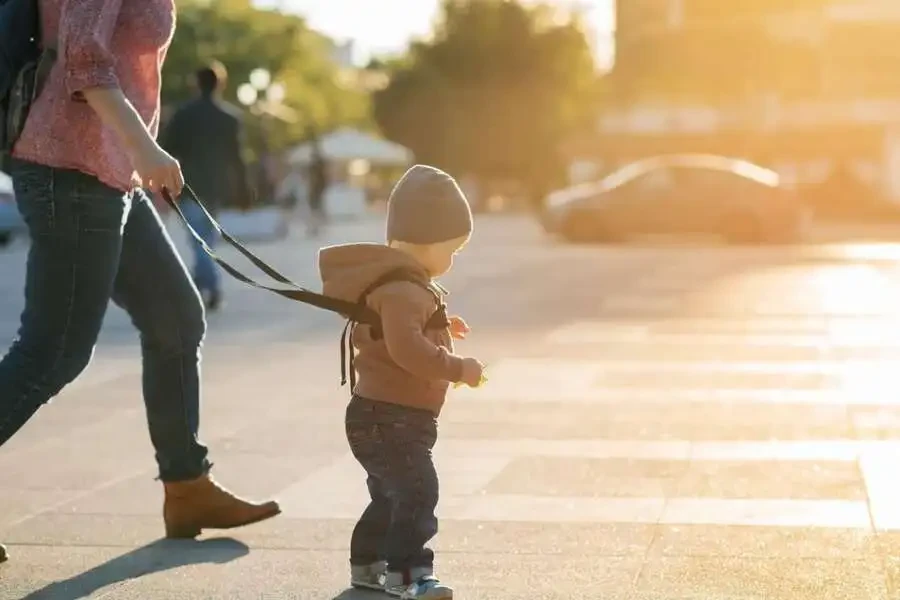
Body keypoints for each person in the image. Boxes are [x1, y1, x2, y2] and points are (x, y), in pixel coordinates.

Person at [0, 0, 280, 562]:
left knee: (175, 316)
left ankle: (187, 489)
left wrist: (134, 155)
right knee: (54, 352)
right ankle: (186, 486)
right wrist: (145, 146)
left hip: (106, 172)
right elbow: (83, 54)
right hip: (69, 167)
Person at [318, 165, 485, 600]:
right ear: (428, 243)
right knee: (416, 491)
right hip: (391, 418)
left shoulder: (402, 286)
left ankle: (367, 565)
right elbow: (406, 351)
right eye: (452, 250)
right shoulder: (402, 291)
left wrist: (442, 324)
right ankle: (409, 574)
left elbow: (406, 328)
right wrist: (457, 367)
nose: (452, 261)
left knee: (391, 496)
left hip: (382, 415)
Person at [161, 61, 251, 311]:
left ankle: (205, 286)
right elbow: (238, 158)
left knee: (199, 240)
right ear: (220, 84)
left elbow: (167, 150)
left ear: (196, 83)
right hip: (217, 187)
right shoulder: (230, 118)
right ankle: (205, 285)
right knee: (205, 240)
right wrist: (244, 190)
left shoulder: (183, 115)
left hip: (188, 186)